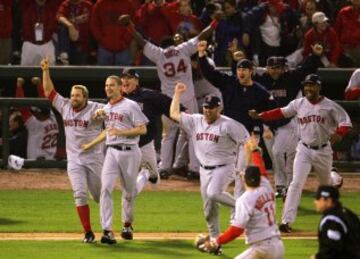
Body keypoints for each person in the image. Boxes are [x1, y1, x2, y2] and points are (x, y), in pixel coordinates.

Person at [118, 13, 219, 179]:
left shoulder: (159, 54)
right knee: (192, 133)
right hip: (186, 98)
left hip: (168, 101)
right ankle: (194, 169)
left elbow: (141, 41)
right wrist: (216, 22)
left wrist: (129, 26)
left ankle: (164, 167)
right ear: (173, 44)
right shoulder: (183, 48)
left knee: (168, 135)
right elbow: (203, 35)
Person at [249, 73, 352, 233]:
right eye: (306, 85)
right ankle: (286, 221)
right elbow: (281, 112)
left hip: (323, 150)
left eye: (311, 85)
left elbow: (346, 121)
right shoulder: (299, 103)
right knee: (295, 184)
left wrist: (340, 132)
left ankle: (333, 182)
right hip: (303, 149)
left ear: (318, 87)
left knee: (326, 187)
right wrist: (262, 116)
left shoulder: (330, 106)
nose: (308, 88)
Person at [170, 82, 249, 247]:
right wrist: (177, 93)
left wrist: (243, 166)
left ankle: (243, 207)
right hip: (204, 170)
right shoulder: (195, 121)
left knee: (214, 193)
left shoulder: (229, 124)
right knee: (208, 211)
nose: (207, 110)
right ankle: (215, 241)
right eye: (205, 107)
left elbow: (247, 142)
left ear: (219, 109)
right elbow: (174, 113)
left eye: (211, 108)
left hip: (224, 167)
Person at [41, 57, 104, 243]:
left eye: (77, 95)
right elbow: (49, 92)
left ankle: (107, 226)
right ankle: (88, 233)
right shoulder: (65, 106)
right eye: (72, 94)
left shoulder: (95, 108)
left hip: (94, 159)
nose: (73, 98)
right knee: (79, 193)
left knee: (100, 196)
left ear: (85, 97)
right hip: (75, 160)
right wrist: (45, 70)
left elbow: (110, 111)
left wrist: (103, 113)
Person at [254, 54, 322, 198]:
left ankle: (290, 185)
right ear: (267, 68)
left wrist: (315, 55)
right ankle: (280, 185)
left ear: (284, 68)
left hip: (287, 121)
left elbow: (307, 69)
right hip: (268, 123)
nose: (275, 71)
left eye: (278, 68)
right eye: (272, 68)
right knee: (274, 156)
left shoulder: (291, 78)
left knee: (280, 153)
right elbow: (244, 76)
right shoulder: (262, 80)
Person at [91, 75, 148, 244]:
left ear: (120, 88)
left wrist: (121, 133)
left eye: (112, 85)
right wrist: (97, 116)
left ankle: (127, 224)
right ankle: (107, 231)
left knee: (129, 193)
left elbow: (142, 129)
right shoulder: (106, 108)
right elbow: (99, 125)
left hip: (130, 151)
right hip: (111, 152)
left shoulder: (131, 105)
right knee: (106, 188)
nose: (108, 88)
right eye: (106, 85)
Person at [311, 185, 360, 259]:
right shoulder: (349, 214)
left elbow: (332, 248)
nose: (315, 202)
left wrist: (318, 257)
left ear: (329, 200)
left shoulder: (331, 220)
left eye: (318, 199)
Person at [15, 77, 59, 160]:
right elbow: (45, 100)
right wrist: (39, 85)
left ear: (39, 113)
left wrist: (19, 86)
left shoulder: (34, 124)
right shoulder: (53, 119)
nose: (34, 114)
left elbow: (22, 108)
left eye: (36, 112)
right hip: (51, 164)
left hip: (35, 165)